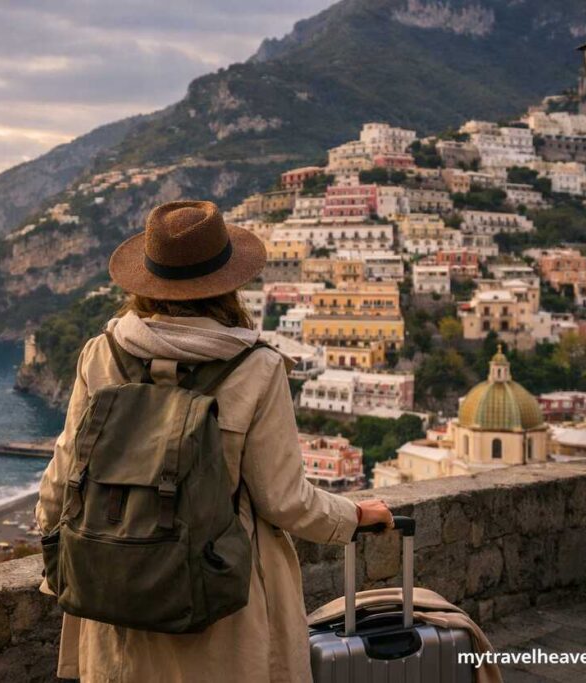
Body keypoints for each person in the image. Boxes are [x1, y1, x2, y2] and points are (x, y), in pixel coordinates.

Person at [36, 200, 393, 682]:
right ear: (229, 282)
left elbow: (59, 484)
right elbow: (284, 501)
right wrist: (354, 517)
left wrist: (69, 558)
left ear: (147, 281)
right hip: (219, 598)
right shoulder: (257, 367)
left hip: (115, 593)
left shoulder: (102, 354)